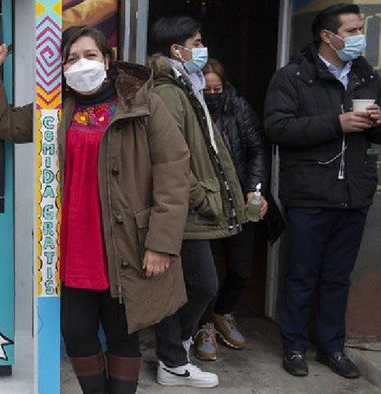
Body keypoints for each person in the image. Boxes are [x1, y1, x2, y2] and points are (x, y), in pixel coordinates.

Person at [0, 26, 191, 393]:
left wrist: (161, 243)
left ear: (107, 60)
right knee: (76, 332)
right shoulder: (55, 108)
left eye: (90, 55)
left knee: (123, 334)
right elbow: (5, 123)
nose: (81, 64)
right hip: (72, 246)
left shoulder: (143, 104)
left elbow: (173, 171)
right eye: (71, 58)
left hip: (127, 244)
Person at [264, 3, 381, 379]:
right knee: (301, 275)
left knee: (337, 278)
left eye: (359, 29)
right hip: (310, 195)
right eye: (351, 30)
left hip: (354, 195)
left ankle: (332, 347)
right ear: (327, 36)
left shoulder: (366, 75)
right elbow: (278, 129)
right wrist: (336, 123)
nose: (359, 37)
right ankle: (295, 346)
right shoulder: (293, 76)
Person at [146, 16, 247, 388]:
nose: (202, 49)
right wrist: (199, 194)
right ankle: (173, 356)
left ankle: (174, 356)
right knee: (200, 285)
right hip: (182, 208)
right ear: (178, 49)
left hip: (188, 205)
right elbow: (167, 155)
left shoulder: (188, 85)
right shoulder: (170, 91)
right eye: (197, 41)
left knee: (193, 286)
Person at [193, 58, 270, 361]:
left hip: (239, 202)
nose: (213, 94)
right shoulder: (190, 113)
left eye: (218, 88)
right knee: (206, 275)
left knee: (241, 270)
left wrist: (255, 188)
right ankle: (203, 325)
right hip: (205, 206)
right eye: (207, 89)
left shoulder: (238, 108)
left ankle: (224, 312)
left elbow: (257, 150)